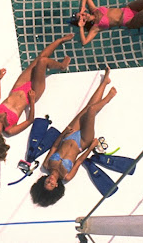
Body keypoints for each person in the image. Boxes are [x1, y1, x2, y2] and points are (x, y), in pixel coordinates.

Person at [0, 34, 73, 166]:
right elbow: (30, 120)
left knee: (40, 58)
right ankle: (61, 66)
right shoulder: (10, 129)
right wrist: (32, 101)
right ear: (0, 136)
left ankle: (60, 40)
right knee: (42, 62)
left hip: (19, 86)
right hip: (32, 94)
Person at [31, 67, 117, 206]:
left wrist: (64, 133)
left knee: (88, 108)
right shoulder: (67, 175)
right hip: (82, 142)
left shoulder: (46, 164)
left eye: (47, 182)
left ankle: (105, 82)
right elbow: (79, 160)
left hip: (68, 135)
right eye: (52, 184)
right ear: (56, 186)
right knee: (91, 111)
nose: (50, 181)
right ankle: (108, 98)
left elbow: (54, 147)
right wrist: (91, 147)